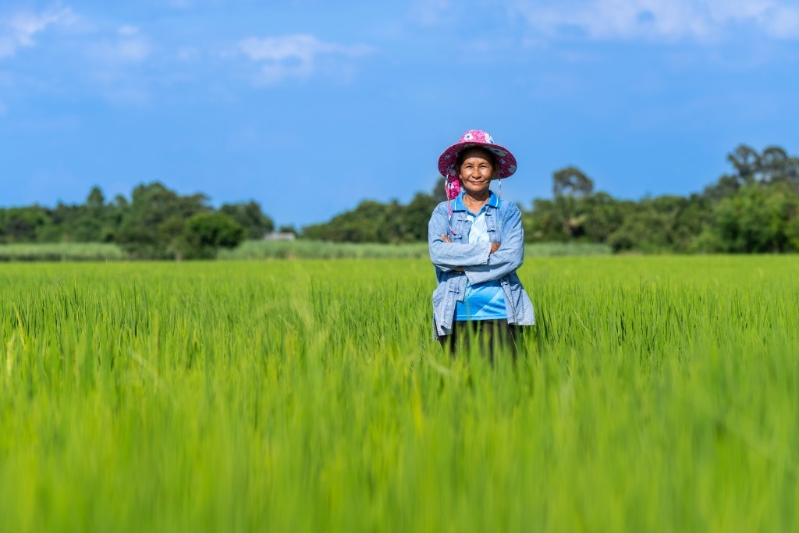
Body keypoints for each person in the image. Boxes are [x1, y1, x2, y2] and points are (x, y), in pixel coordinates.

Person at [428, 130, 535, 360]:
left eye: (483, 166)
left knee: (505, 386)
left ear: (494, 170)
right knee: (461, 389)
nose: (476, 173)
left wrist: (458, 264)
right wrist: (488, 248)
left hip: (501, 312)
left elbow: (512, 258)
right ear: (458, 172)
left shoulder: (508, 212)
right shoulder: (443, 212)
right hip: (455, 313)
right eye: (469, 166)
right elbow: (438, 254)